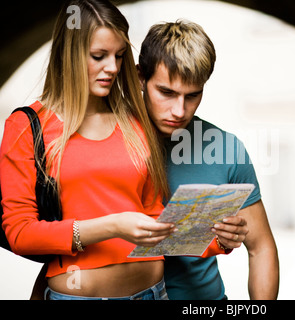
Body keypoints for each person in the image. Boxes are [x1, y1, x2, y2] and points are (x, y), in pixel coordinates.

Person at [0, 0, 179, 300]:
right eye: (99, 56)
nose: (113, 68)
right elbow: (20, 233)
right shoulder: (27, 127)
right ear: (69, 54)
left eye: (119, 56)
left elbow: (152, 215)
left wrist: (213, 235)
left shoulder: (134, 120)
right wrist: (112, 226)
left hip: (153, 292)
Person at [137, 19, 279, 300]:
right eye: (167, 93)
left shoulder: (226, 149)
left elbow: (261, 248)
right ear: (140, 77)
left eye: (192, 95)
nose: (179, 110)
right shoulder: (106, 139)